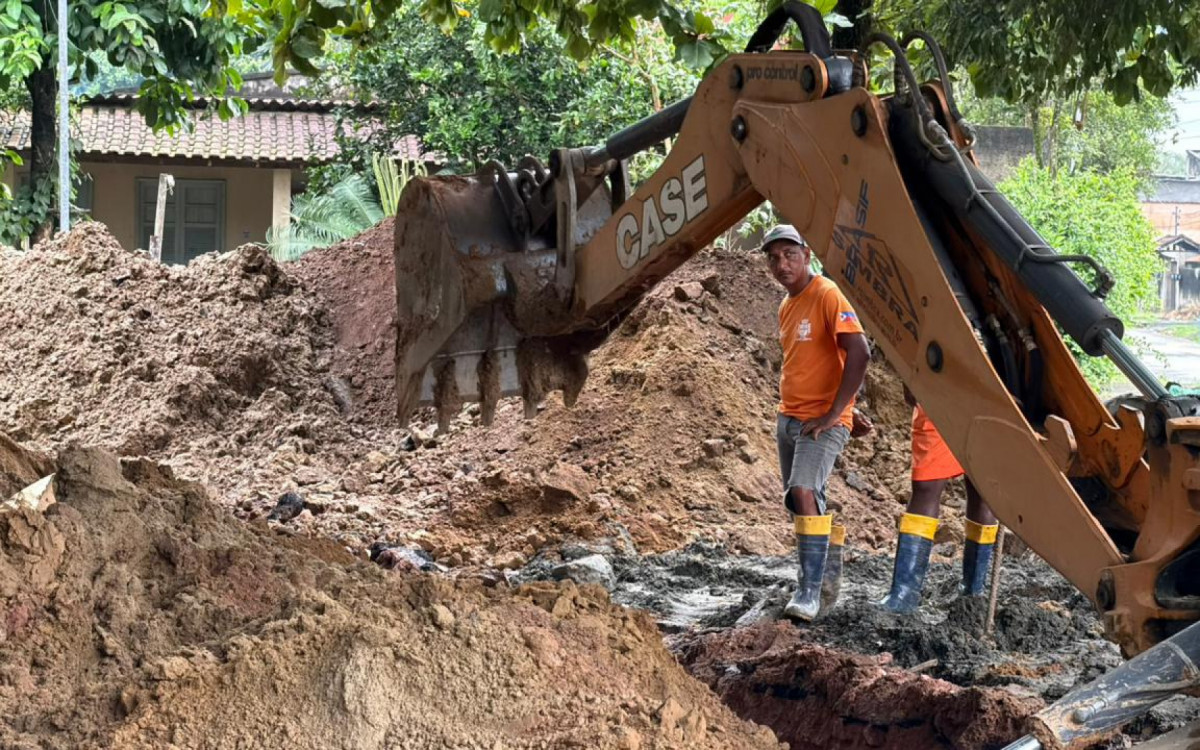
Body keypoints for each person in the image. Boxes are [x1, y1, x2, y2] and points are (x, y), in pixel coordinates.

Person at [763, 224, 870, 621]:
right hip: (790, 417)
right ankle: (826, 580)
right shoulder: (786, 305)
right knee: (800, 502)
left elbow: (859, 352)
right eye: (774, 258)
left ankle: (808, 593)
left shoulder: (826, 294)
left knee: (804, 489)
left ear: (807, 255)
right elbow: (811, 362)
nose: (782, 264)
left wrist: (837, 412)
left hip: (821, 421)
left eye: (790, 255)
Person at [880, 387, 1000, 613]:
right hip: (941, 390)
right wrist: (911, 380)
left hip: (992, 399)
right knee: (925, 484)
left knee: (982, 492)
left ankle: (973, 590)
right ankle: (904, 593)